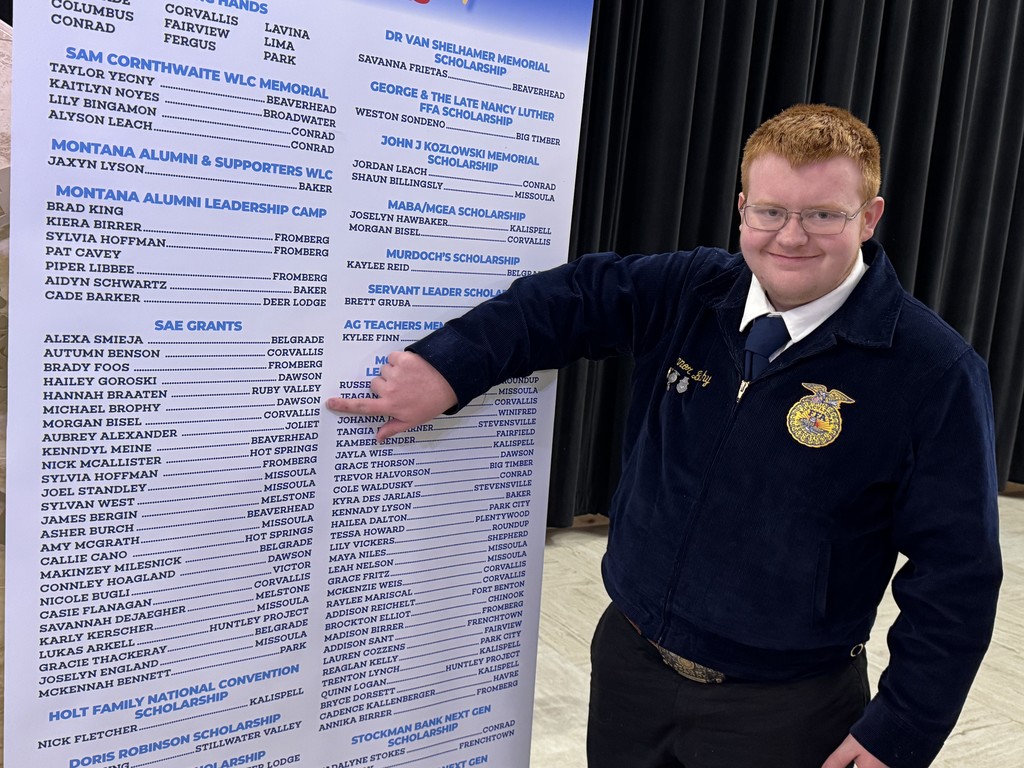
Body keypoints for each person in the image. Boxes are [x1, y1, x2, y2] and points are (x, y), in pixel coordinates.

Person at [327, 104, 1002, 768]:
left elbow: (957, 575)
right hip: (632, 665)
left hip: (784, 708)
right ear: (743, 208)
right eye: (771, 211)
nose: (791, 237)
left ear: (870, 216)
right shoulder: (693, 289)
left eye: (824, 215)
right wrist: (450, 367)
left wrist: (900, 730)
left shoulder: (934, 372)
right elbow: (568, 300)